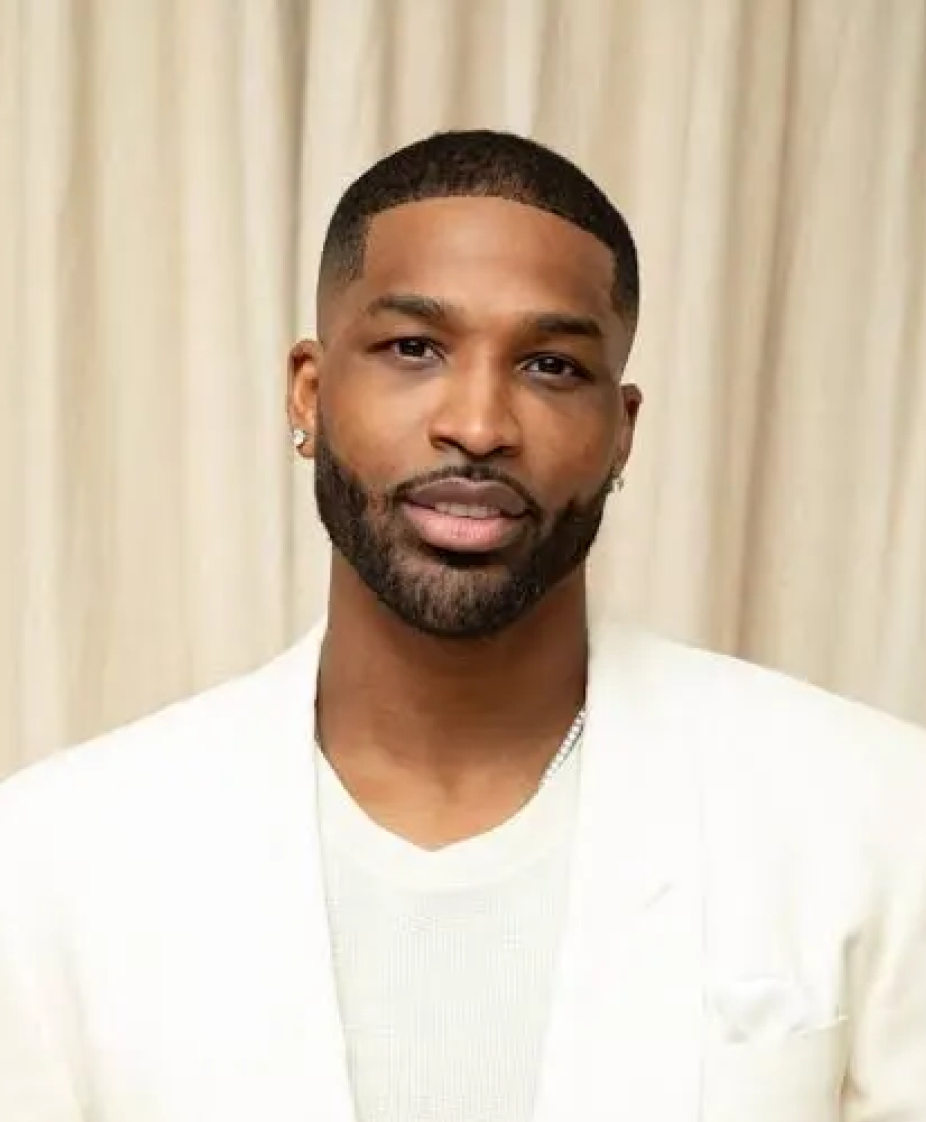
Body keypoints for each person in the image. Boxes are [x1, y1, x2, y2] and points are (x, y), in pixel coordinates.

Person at [0, 130, 924, 1122]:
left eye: (550, 366)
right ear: (310, 392)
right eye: (413, 349)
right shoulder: (58, 857)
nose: (478, 426)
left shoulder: (872, 813)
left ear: (621, 433)